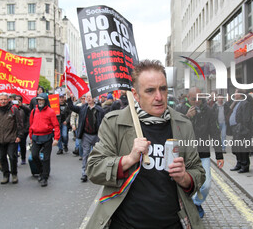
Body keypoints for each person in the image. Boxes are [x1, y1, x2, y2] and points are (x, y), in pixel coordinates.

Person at [86, 60, 205, 229]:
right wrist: (128, 159)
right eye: (150, 90)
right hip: (126, 224)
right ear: (135, 94)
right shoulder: (115, 123)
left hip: (172, 222)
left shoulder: (182, 125)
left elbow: (198, 172)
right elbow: (93, 168)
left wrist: (185, 177)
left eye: (163, 89)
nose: (159, 97)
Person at [176, 87, 223, 218]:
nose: (197, 101)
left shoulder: (208, 111)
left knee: (206, 185)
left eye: (199, 98)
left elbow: (215, 132)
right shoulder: (180, 109)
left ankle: (196, 203)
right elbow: (174, 129)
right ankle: (185, 206)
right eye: (193, 99)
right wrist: (187, 117)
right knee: (182, 183)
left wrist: (219, 155)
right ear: (187, 98)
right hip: (185, 153)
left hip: (203, 153)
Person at [67, 92, 104, 182]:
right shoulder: (83, 108)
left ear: (94, 98)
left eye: (90, 97)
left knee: (96, 155)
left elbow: (103, 122)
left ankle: (96, 172)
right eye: (86, 97)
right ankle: (84, 173)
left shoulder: (99, 110)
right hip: (86, 135)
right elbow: (72, 107)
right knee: (85, 154)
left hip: (96, 135)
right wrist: (69, 98)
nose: (88, 98)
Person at [0, 93, 24, 184]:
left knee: (12, 157)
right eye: (1, 99)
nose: (3, 101)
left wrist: (19, 136)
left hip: (12, 138)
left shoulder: (13, 109)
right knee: (1, 157)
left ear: (8, 100)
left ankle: (14, 174)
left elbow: (19, 123)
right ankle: (5, 175)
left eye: (5, 99)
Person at [29, 93, 60, 187]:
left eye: (42, 100)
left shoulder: (50, 112)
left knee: (46, 158)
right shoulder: (34, 111)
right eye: (38, 100)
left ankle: (44, 178)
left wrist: (56, 138)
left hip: (47, 137)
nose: (40, 101)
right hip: (36, 137)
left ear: (45, 101)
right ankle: (42, 171)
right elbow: (31, 124)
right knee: (34, 156)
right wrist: (31, 136)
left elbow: (56, 125)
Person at [229, 89, 253, 173]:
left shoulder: (245, 103)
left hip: (241, 130)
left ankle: (245, 165)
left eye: (235, 93)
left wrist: (241, 128)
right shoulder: (237, 102)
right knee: (236, 148)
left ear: (239, 94)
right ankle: (239, 163)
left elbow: (246, 118)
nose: (234, 94)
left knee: (242, 148)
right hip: (236, 129)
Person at [15, 95, 31, 165]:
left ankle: (23, 158)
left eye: (19, 100)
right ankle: (14, 160)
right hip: (14, 130)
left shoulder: (24, 108)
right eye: (16, 100)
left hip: (23, 130)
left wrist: (21, 106)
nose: (18, 101)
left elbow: (29, 111)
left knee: (22, 145)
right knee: (14, 146)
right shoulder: (12, 108)